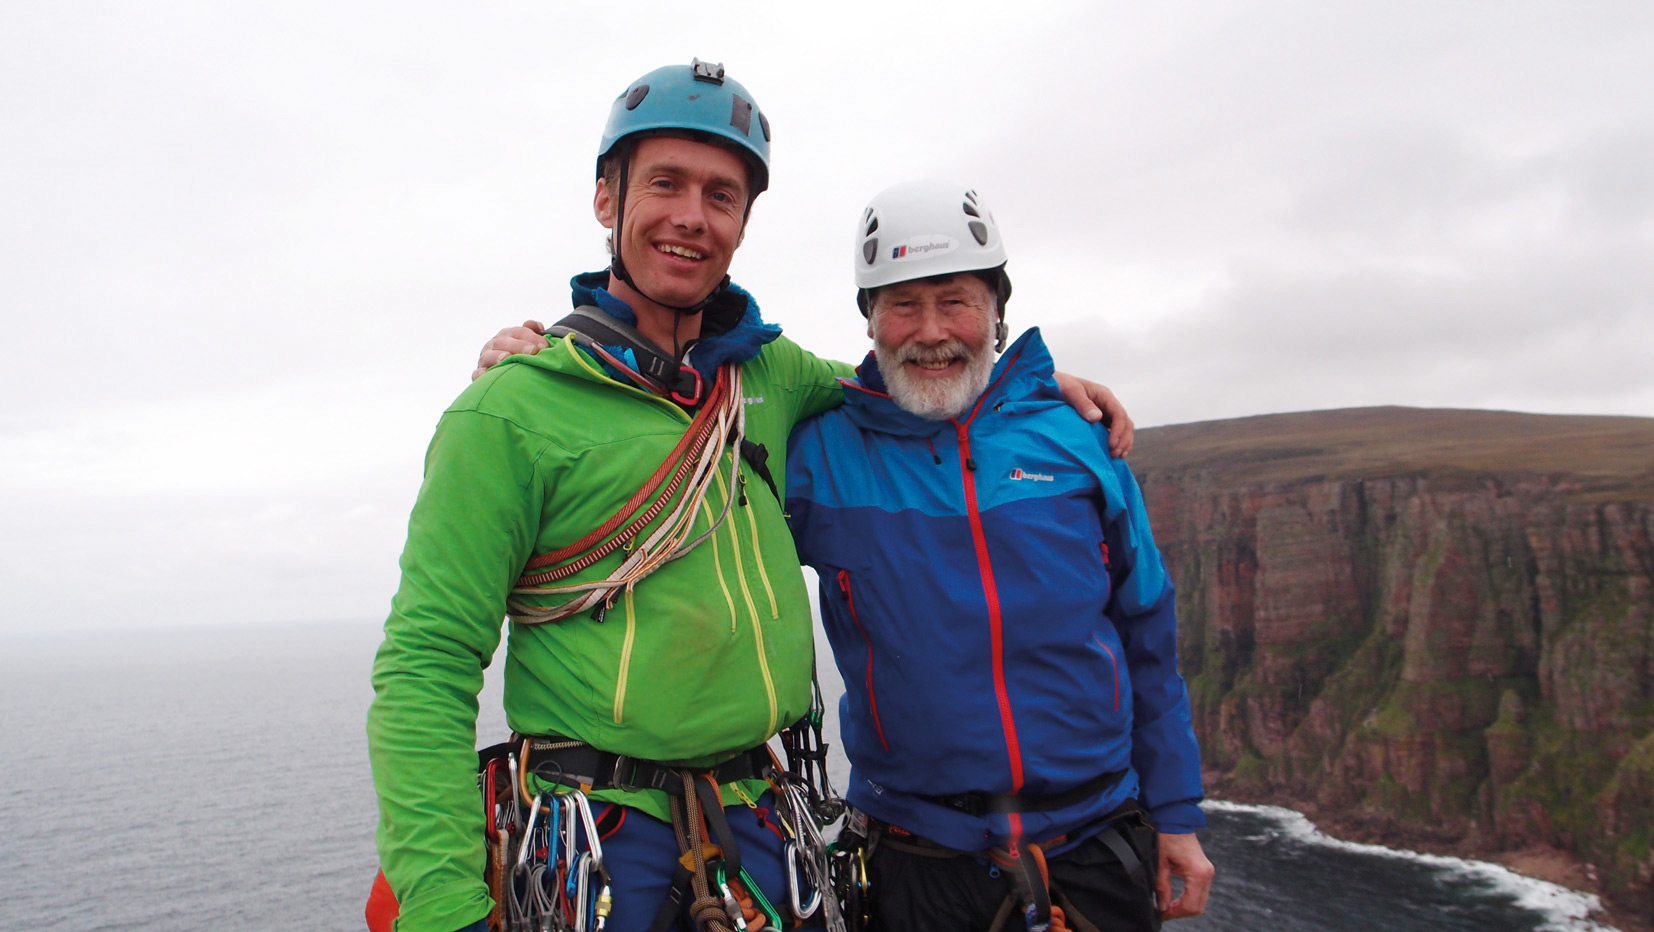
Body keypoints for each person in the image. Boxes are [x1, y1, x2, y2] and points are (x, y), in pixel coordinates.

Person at [370, 61, 1132, 932]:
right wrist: (443, 906)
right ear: (605, 198)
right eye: (665, 183)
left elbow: (911, 386)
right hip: (603, 844)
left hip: (763, 831)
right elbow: (425, 664)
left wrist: (1021, 384)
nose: (692, 216)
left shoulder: (768, 374)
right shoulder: (510, 412)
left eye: (721, 194)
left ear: (743, 222)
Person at [783, 180, 1212, 931]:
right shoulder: (819, 453)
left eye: (954, 301)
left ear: (995, 312)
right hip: (918, 862)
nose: (930, 330)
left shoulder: (1076, 439)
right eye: (902, 305)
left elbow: (1148, 636)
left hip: (1097, 849)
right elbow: (684, 427)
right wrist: (544, 348)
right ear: (871, 321)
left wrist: (1177, 814)